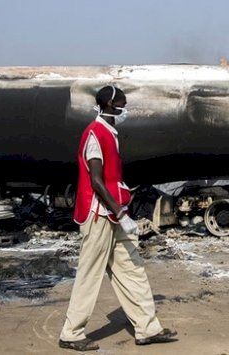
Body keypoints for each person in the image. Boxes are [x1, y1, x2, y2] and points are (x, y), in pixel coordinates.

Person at [58, 85, 176, 351]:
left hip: (113, 214)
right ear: (111, 105)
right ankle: (71, 333)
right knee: (90, 273)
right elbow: (97, 181)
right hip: (100, 214)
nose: (126, 107)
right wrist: (121, 213)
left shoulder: (109, 133)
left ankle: (147, 328)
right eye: (123, 102)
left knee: (132, 269)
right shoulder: (95, 134)